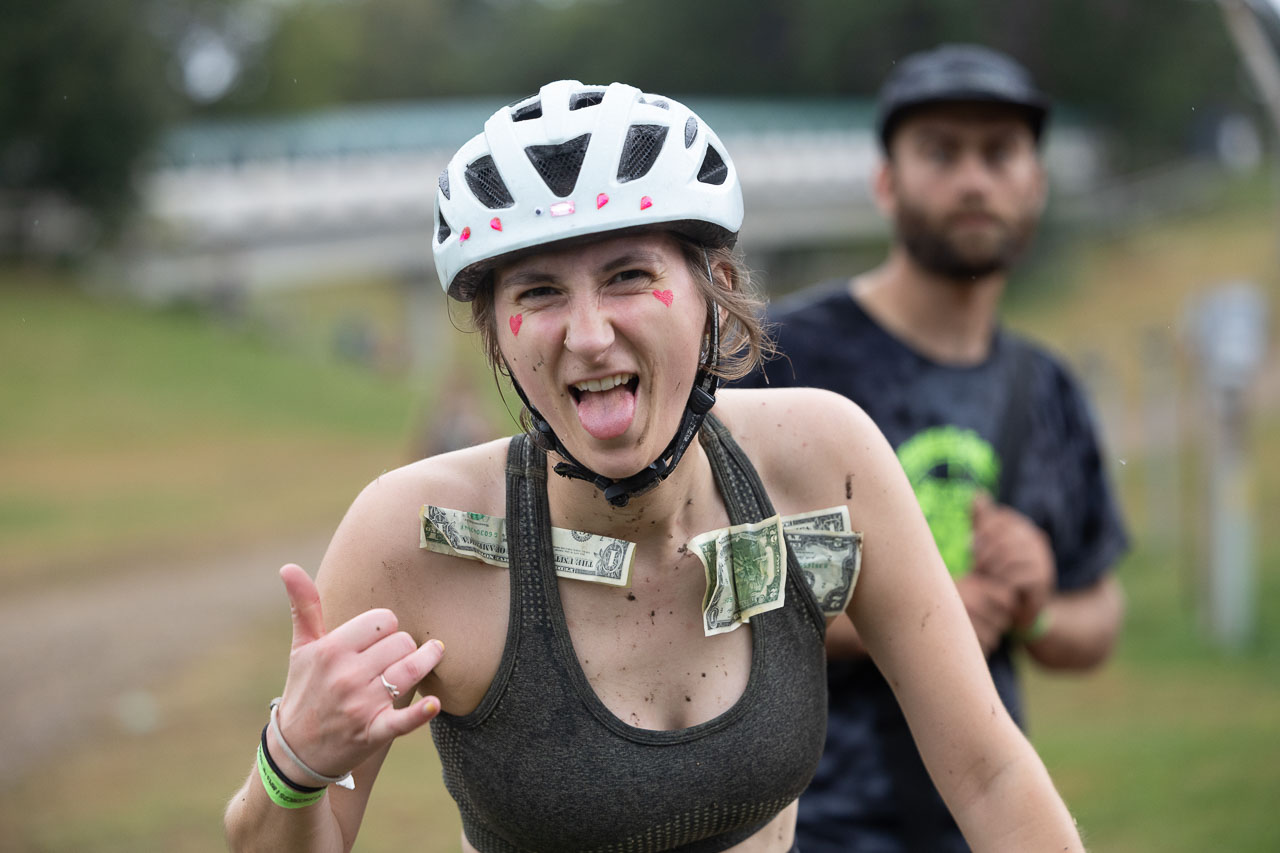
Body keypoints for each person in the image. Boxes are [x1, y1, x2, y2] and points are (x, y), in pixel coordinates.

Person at [223, 79, 1086, 853]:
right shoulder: (409, 537)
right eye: (538, 293)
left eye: (629, 275)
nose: (589, 333)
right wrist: (290, 762)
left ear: (713, 290)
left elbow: (991, 776)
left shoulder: (825, 463)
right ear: (496, 332)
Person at [737, 46, 1129, 852]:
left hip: (985, 824)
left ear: (1037, 183)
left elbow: (1098, 617)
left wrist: (1037, 602)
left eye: (1000, 153)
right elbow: (692, 587)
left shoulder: (1047, 388)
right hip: (803, 827)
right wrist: (922, 612)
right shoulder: (780, 361)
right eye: (942, 152)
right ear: (887, 182)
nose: (974, 180)